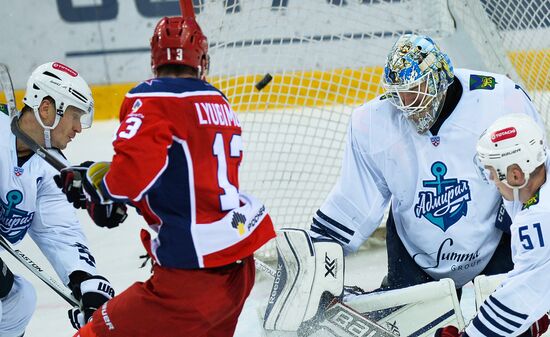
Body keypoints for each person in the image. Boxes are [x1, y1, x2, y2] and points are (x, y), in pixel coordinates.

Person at [57, 15, 276, 337]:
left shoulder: (149, 98)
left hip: (191, 278)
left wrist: (98, 188)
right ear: (201, 59)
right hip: (238, 266)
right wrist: (112, 188)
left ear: (154, 60)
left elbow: (129, 179)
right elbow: (183, 177)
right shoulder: (219, 101)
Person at [307, 34, 546, 313]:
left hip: (497, 243)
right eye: (398, 92)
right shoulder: (372, 122)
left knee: (515, 320)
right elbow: (355, 202)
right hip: (414, 253)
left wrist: (538, 243)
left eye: (415, 88)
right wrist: (316, 259)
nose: (406, 102)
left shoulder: (501, 97)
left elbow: (535, 174)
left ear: (439, 79)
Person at [0, 62, 114, 337]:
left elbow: (60, 231)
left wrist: (85, 280)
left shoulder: (50, 168)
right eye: (74, 115)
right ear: (46, 108)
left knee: (18, 301)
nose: (78, 127)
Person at [435, 113, 550, 336]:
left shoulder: (539, 218)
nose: (491, 180)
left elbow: (521, 294)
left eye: (493, 173)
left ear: (516, 175)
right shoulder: (540, 172)